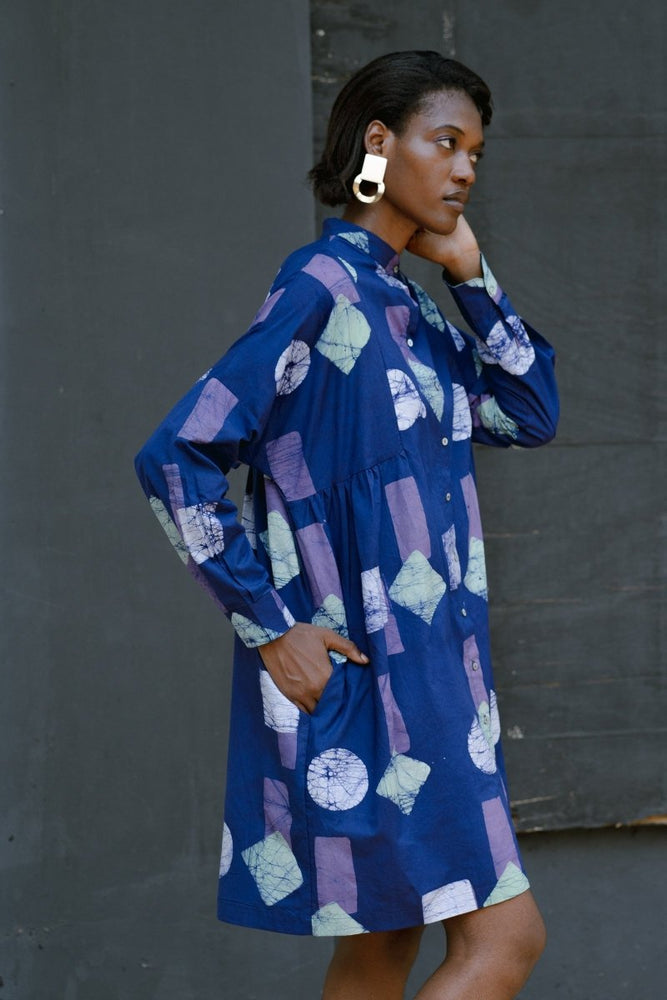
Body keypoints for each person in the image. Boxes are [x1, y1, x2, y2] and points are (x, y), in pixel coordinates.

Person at [135, 50, 558, 1000]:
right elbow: (176, 454)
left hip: (437, 676)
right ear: (379, 142)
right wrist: (271, 625)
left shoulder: (405, 301)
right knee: (505, 940)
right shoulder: (322, 285)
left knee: (379, 946)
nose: (463, 172)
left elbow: (526, 414)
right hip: (373, 677)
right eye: (444, 142)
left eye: (475, 156)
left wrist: (472, 276)